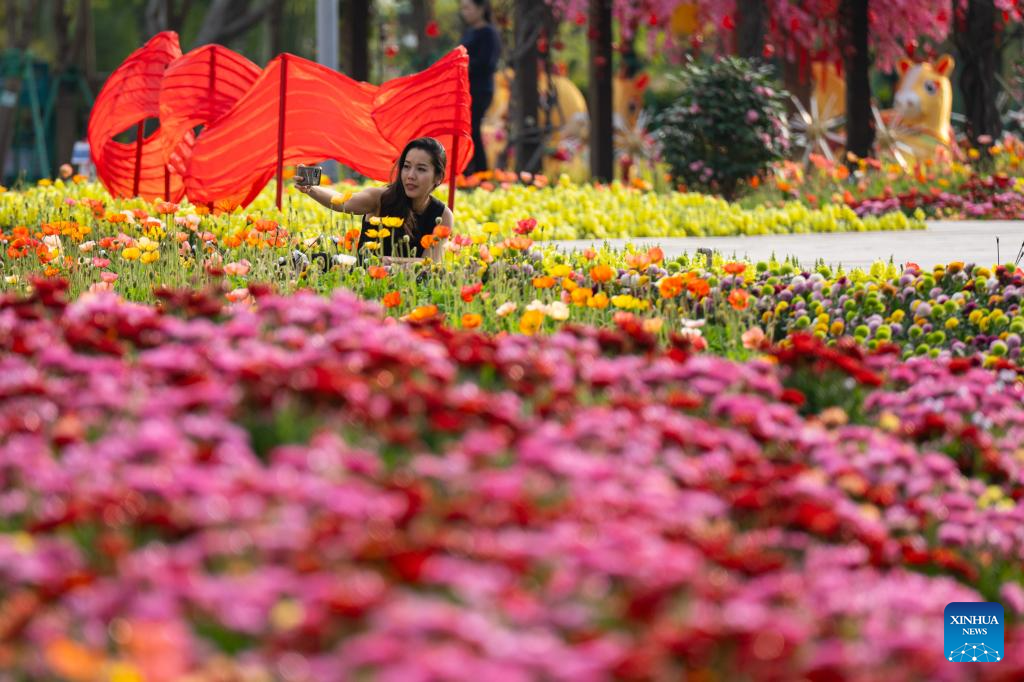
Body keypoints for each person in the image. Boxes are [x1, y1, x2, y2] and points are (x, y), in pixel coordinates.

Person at [296, 137, 454, 264]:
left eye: (421, 169)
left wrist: (389, 262)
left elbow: (430, 263)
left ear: (438, 177)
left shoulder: (442, 215)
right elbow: (342, 201)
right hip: (362, 281)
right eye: (406, 166)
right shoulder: (381, 198)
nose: (411, 175)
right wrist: (311, 189)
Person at [459, 0, 501, 175]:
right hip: (466, 90)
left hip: (480, 89)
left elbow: (487, 63)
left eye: (468, 8)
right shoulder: (469, 32)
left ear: (481, 9)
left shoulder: (489, 33)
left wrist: (464, 65)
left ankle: (479, 173)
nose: (464, 12)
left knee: (473, 129)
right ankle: (469, 172)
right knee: (466, 130)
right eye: (463, 8)